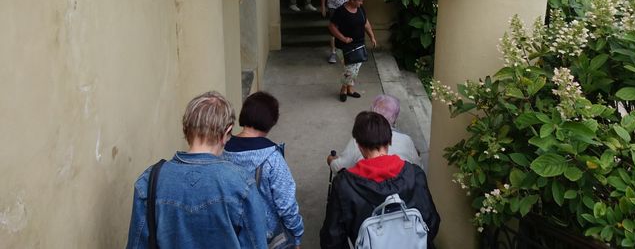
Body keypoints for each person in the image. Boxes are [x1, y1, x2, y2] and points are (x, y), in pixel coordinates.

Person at [126, 91, 267, 249]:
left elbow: (137, 245)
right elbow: (256, 244)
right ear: (226, 132)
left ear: (185, 128)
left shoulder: (150, 180)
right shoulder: (241, 183)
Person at [319, 111, 440, 249]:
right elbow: (432, 222)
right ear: (390, 141)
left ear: (359, 145)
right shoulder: (415, 174)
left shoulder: (344, 185)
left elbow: (332, 239)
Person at [223, 92, 303, 249]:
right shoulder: (272, 158)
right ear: (271, 122)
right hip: (266, 240)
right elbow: (286, 206)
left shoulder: (222, 149)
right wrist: (297, 234)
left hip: (232, 236)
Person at [327, 94, 421, 173]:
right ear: (395, 118)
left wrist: (331, 160)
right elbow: (419, 168)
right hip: (403, 187)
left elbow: (339, 168)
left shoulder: (360, 138)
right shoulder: (406, 140)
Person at [328, 0, 376, 101]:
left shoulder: (360, 9)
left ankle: (349, 89)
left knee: (355, 68)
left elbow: (366, 23)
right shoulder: (340, 11)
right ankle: (344, 89)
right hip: (344, 46)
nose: (361, 3)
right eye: (360, 1)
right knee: (350, 69)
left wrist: (372, 37)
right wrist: (343, 38)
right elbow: (331, 26)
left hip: (359, 45)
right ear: (352, 0)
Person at [320, 0, 356, 64]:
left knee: (347, 28)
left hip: (346, 7)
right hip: (333, 6)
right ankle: (333, 52)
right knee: (334, 29)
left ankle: (347, 50)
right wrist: (323, 6)